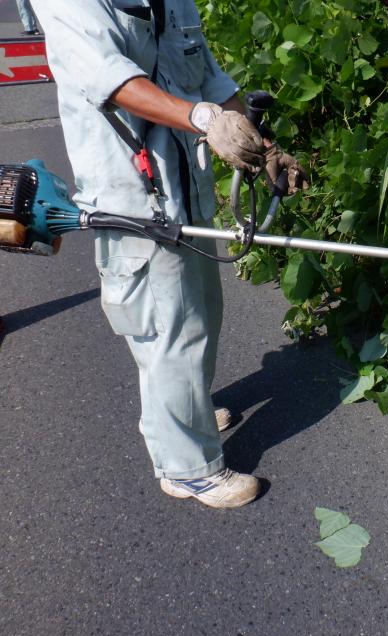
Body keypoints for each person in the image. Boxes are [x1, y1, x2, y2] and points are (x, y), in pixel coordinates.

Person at [31, 0, 305, 508]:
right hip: (132, 196)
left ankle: (187, 411)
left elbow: (214, 82)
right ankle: (188, 469)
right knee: (165, 327)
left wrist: (262, 146)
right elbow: (112, 80)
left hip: (188, 188)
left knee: (200, 314)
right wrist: (203, 118)